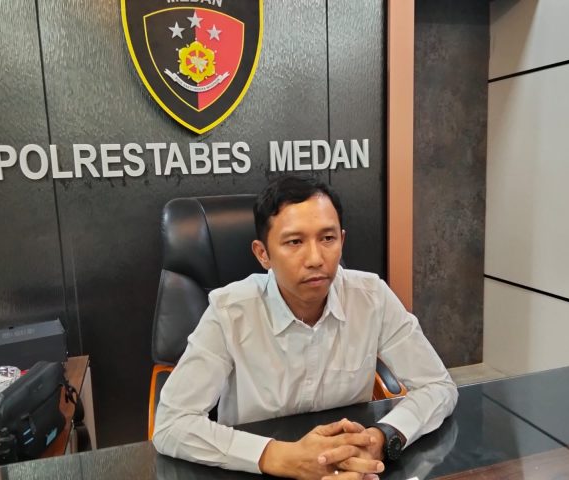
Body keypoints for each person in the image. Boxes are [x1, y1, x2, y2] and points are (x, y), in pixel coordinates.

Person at [153, 175, 458, 480]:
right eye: (294, 242)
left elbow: (437, 386)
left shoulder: (371, 297)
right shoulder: (230, 311)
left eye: (327, 238)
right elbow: (171, 423)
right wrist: (279, 456)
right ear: (263, 254)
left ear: (342, 241)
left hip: (350, 467)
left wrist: (381, 438)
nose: (315, 259)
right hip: (254, 470)